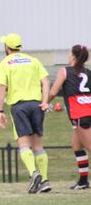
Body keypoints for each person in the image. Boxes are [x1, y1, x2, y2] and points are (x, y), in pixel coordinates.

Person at [0, 33, 51, 194]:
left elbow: (1, 87)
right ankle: (45, 181)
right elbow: (46, 80)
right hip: (36, 105)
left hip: (19, 106)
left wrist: (0, 110)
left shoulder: (5, 63)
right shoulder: (33, 60)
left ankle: (34, 174)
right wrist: (45, 101)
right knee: (38, 145)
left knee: (23, 144)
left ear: (7, 47)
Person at [47, 44, 91, 189]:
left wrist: (44, 103)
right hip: (87, 111)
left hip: (80, 114)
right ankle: (83, 181)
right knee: (77, 146)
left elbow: (53, 92)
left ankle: (84, 182)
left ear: (73, 56)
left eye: (69, 53)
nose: (68, 55)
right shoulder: (88, 72)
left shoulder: (64, 71)